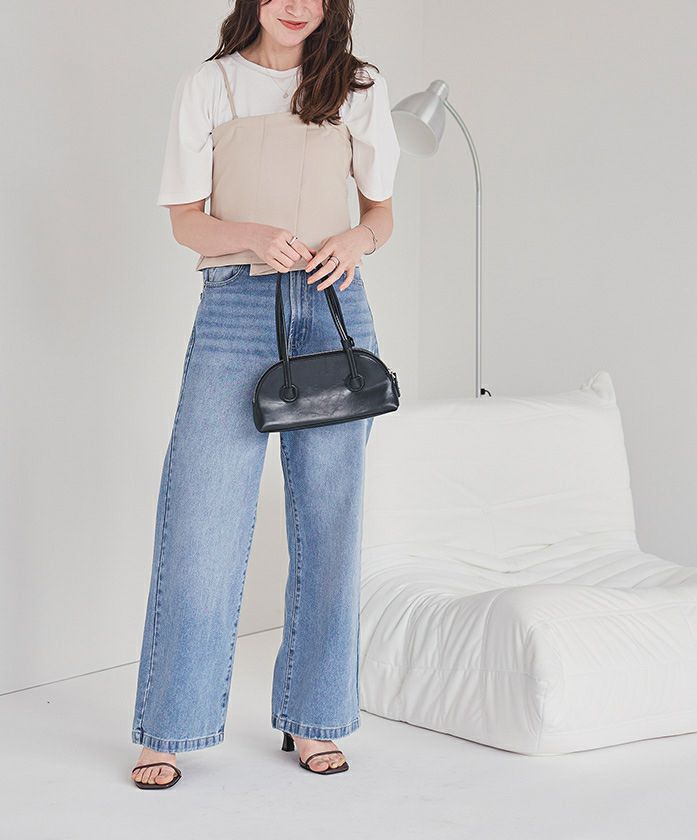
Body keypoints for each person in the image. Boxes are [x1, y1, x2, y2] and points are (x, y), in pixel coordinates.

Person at [130, 0, 400, 789]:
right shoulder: (210, 85)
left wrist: (355, 239)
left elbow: (381, 212)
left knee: (330, 522)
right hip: (236, 311)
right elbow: (186, 221)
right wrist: (251, 235)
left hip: (334, 306)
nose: (297, 5)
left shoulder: (356, 85)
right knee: (201, 520)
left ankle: (315, 718)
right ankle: (169, 727)